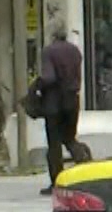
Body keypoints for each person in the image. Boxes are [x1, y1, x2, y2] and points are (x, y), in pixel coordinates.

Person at [34, 20, 89, 195]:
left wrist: (36, 86)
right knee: (70, 139)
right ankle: (86, 168)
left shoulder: (49, 52)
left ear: (51, 34)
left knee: (54, 144)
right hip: (72, 100)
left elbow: (48, 77)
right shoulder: (75, 52)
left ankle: (56, 182)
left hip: (54, 104)